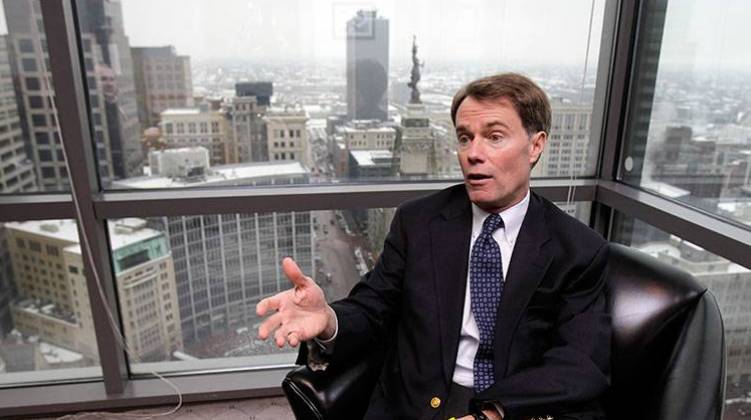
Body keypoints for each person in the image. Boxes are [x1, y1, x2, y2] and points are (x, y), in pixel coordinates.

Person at [257, 73, 611, 420]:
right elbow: (373, 307)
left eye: (494, 137)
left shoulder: (577, 249)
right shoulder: (418, 222)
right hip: (416, 404)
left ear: (535, 145)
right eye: (464, 138)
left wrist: (493, 413)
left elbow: (580, 361)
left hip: (510, 405)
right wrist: (328, 320)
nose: (474, 153)